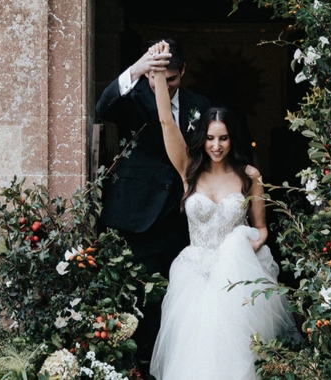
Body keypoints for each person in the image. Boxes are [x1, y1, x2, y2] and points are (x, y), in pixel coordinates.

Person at [147, 41, 296, 380]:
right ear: (203, 139)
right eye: (211, 138)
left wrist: (239, 251)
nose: (216, 146)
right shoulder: (189, 172)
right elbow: (166, 123)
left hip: (236, 279)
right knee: (194, 357)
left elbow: (261, 229)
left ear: (233, 140)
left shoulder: (249, 178)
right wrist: (157, 74)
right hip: (195, 277)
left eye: (224, 138)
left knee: (235, 359)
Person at [95, 39, 211, 376]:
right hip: (136, 214)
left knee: (175, 299)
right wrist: (138, 68)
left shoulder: (198, 106)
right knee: (136, 302)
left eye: (171, 78)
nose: (163, 83)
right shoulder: (134, 97)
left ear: (183, 72)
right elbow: (104, 107)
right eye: (156, 76)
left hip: (180, 218)